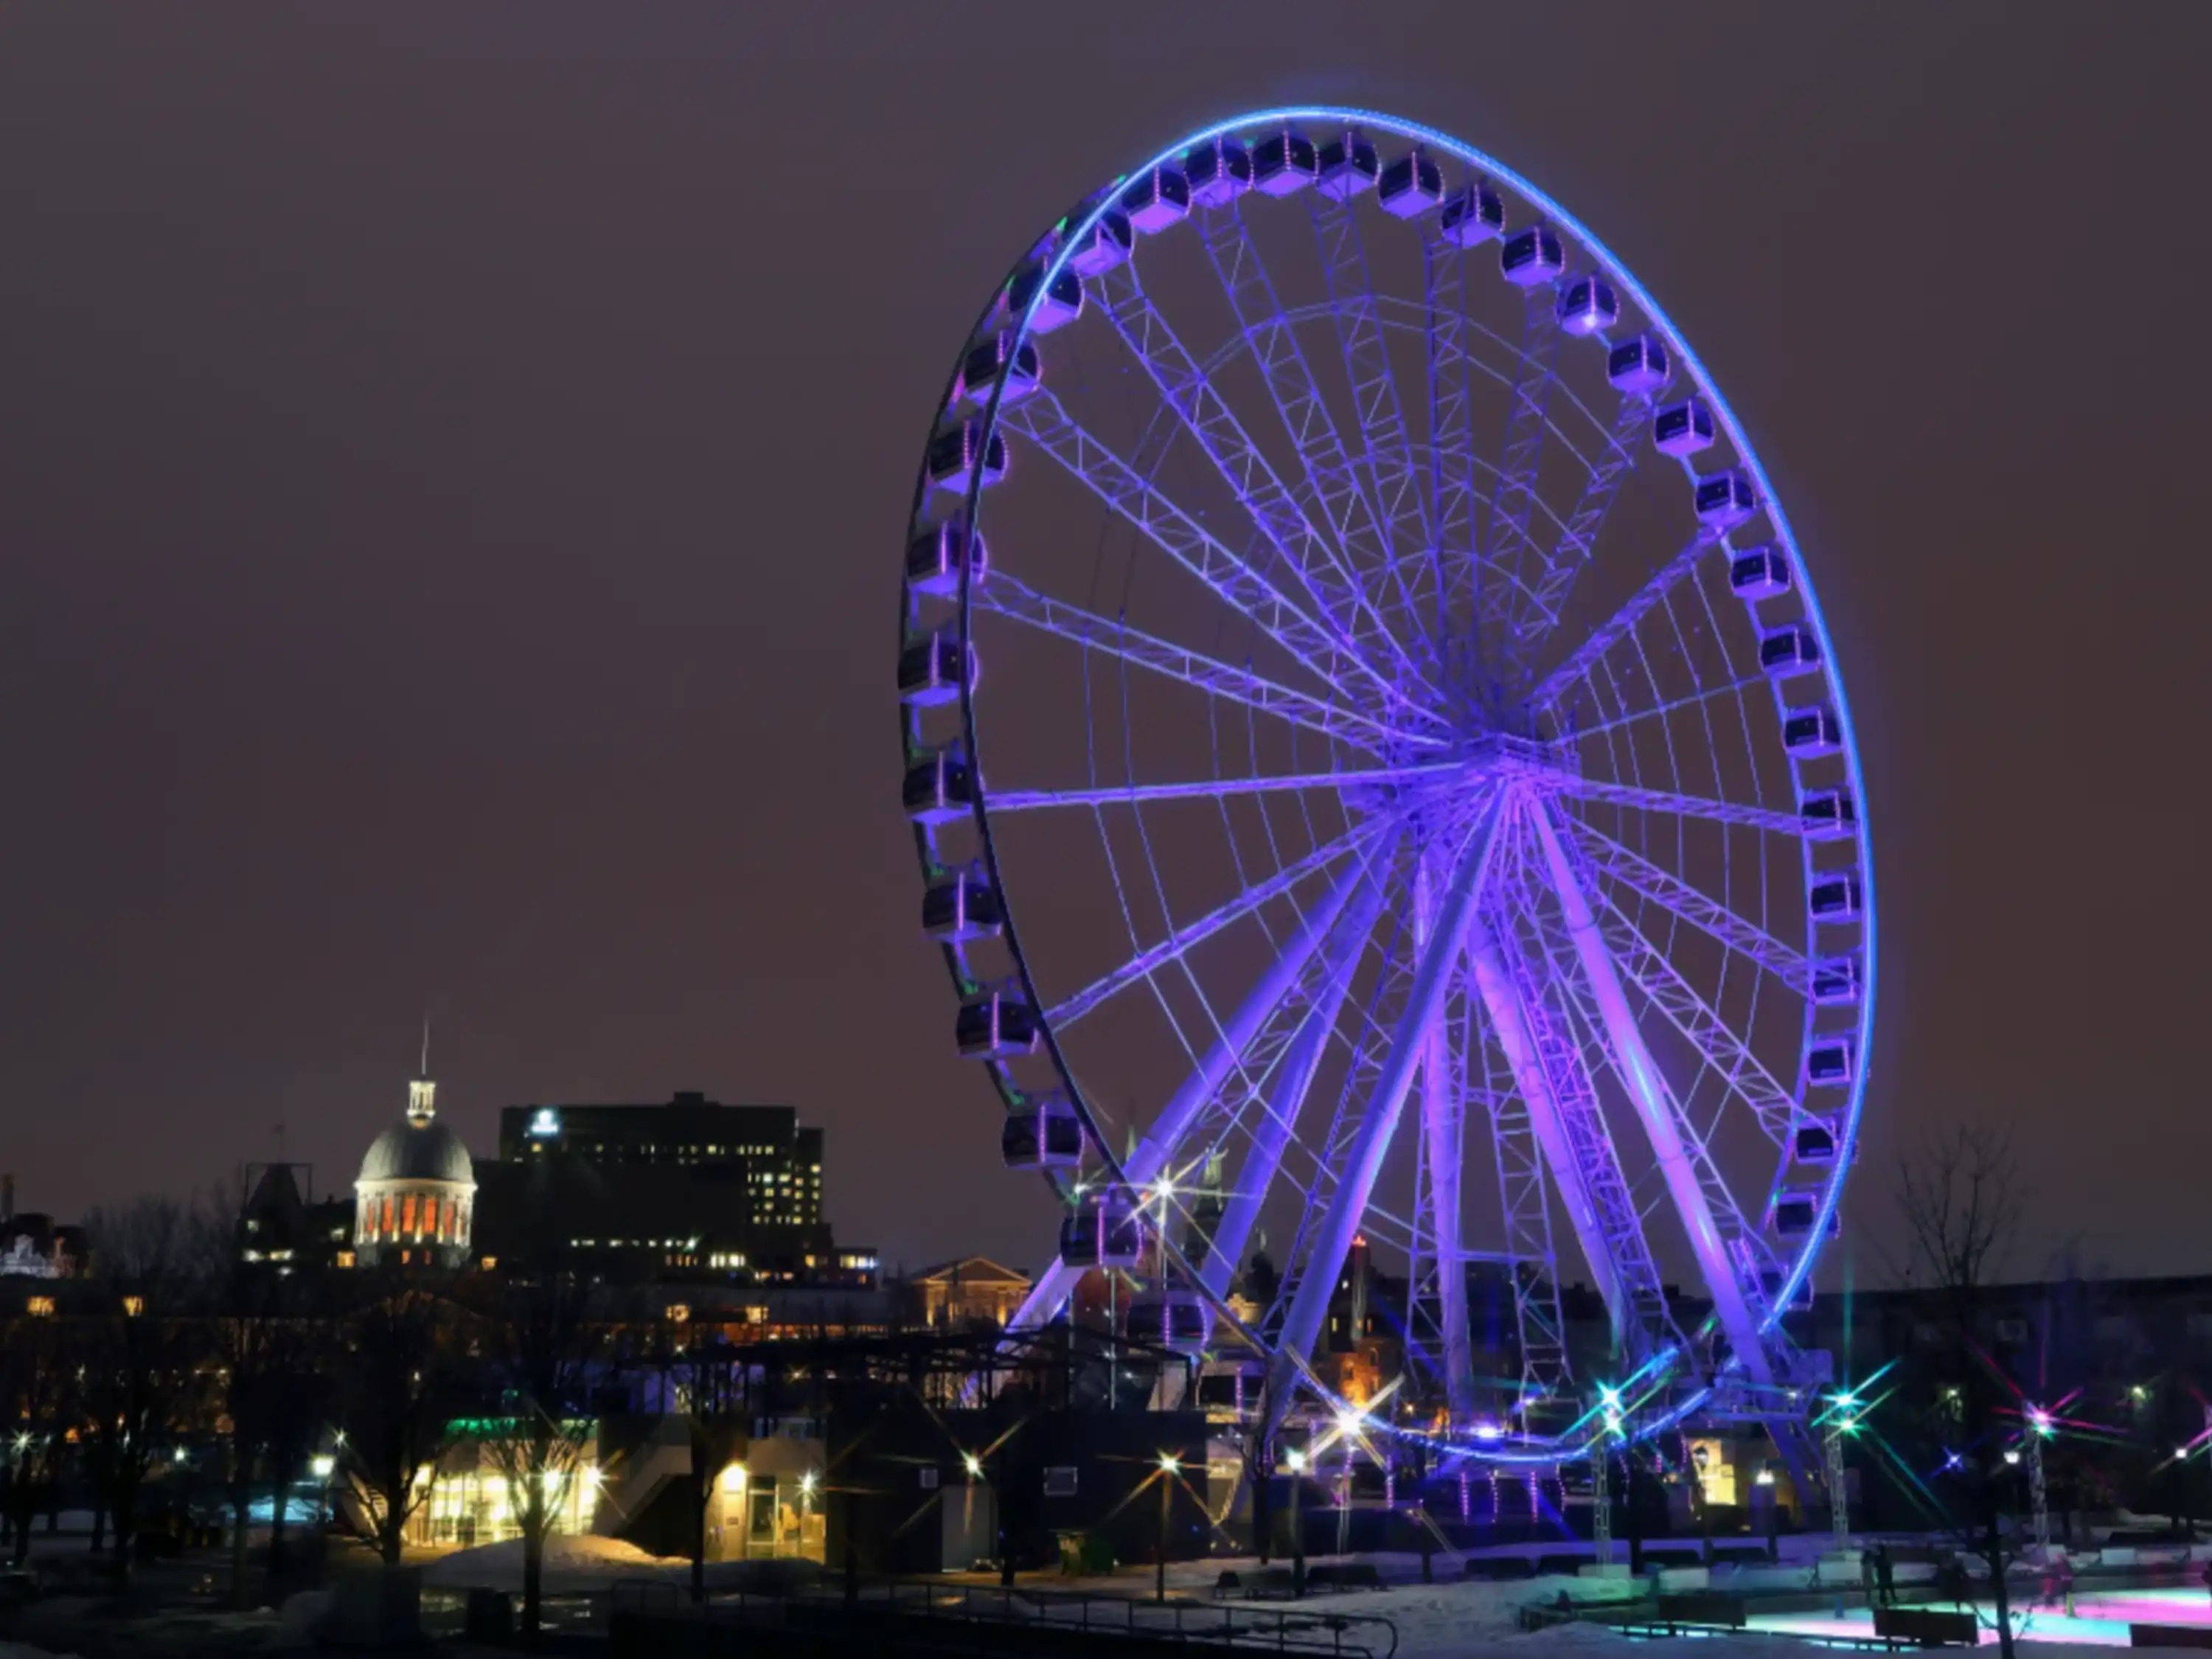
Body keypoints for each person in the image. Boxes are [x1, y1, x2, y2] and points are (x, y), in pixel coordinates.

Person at [1875, 1544, 1896, 1608]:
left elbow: (1876, 1566)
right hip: (1886, 1575)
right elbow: (1890, 1565)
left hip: (1882, 1576)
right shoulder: (1886, 1557)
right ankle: (1892, 1599)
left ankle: (1884, 1601)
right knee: (1890, 1588)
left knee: (1883, 1590)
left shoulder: (1879, 1558)